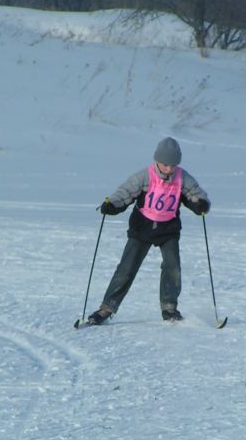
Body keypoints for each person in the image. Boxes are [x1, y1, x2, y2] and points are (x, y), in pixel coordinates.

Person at [87, 137, 211, 324]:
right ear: (157, 161)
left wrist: (200, 204)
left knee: (173, 267)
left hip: (168, 229)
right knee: (127, 268)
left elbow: (196, 193)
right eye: (165, 164)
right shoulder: (144, 176)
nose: (169, 168)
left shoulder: (182, 177)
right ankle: (106, 308)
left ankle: (170, 308)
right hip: (142, 228)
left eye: (173, 165)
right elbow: (125, 192)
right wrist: (112, 204)